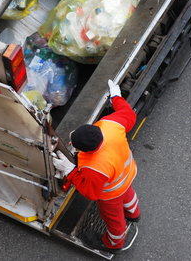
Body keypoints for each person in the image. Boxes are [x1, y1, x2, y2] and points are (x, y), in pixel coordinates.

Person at [52, 79, 140, 253]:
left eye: (74, 144)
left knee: (114, 219)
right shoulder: (110, 125)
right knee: (128, 195)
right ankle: (133, 213)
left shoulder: (95, 166)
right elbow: (128, 113)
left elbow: (90, 192)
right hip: (126, 174)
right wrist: (116, 96)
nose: (71, 142)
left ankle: (113, 243)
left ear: (88, 151)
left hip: (111, 193)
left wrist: (70, 170)